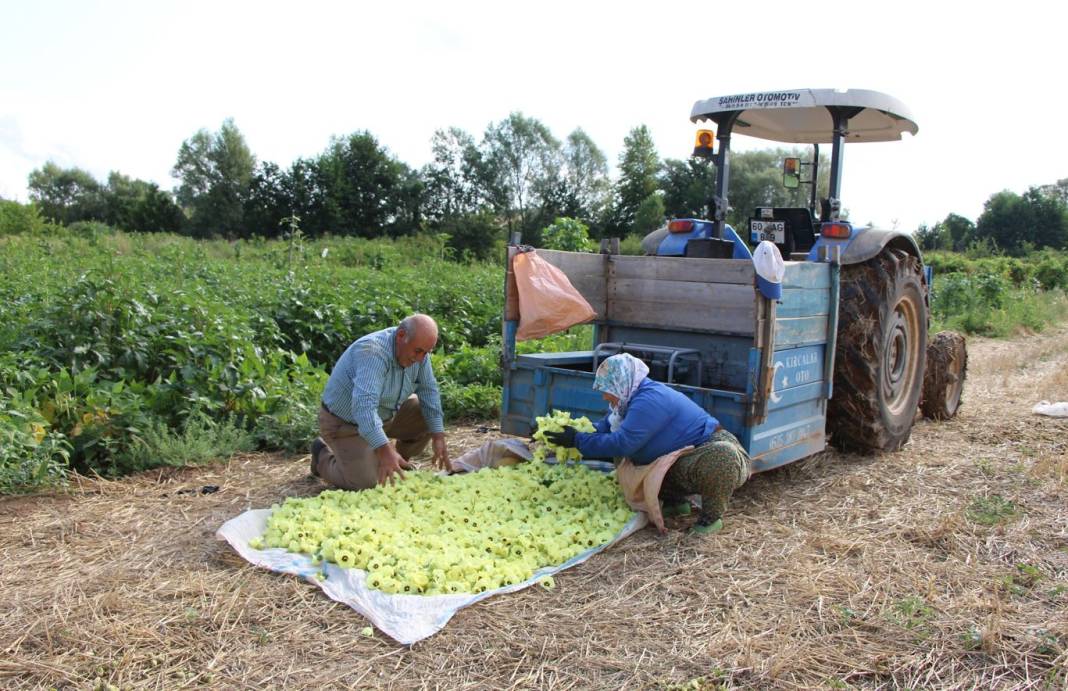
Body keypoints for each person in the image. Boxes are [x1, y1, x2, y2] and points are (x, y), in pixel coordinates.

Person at [543, 353, 751, 534]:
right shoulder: (625, 402)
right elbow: (604, 428)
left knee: (722, 456)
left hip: (705, 448)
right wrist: (561, 433)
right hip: (675, 459)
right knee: (641, 464)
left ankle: (711, 519)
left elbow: (623, 443)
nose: (605, 396)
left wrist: (578, 440)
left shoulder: (650, 399)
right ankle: (676, 502)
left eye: (608, 389)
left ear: (622, 383)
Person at [311, 314, 452, 490]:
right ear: (401, 336)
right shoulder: (373, 352)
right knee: (366, 483)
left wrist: (438, 436)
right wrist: (384, 449)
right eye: (418, 351)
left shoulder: (418, 351)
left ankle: (394, 461)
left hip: (386, 415)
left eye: (426, 353)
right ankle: (321, 456)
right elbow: (363, 409)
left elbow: (429, 391)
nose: (421, 359)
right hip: (347, 425)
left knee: (424, 410)